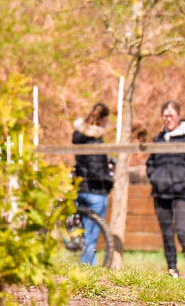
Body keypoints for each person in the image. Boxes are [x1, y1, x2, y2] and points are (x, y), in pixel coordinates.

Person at [146, 100, 185, 278]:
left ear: (178, 116)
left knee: (183, 231)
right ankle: (172, 270)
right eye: (165, 115)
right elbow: (150, 162)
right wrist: (154, 178)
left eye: (171, 115)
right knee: (167, 234)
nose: (168, 119)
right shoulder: (159, 139)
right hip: (160, 192)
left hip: (181, 193)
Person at [72, 103, 114, 265]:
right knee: (91, 235)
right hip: (96, 192)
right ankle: (87, 270)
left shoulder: (79, 138)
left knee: (87, 234)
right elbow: (96, 169)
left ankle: (91, 266)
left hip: (82, 190)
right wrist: (110, 180)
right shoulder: (95, 140)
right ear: (104, 119)